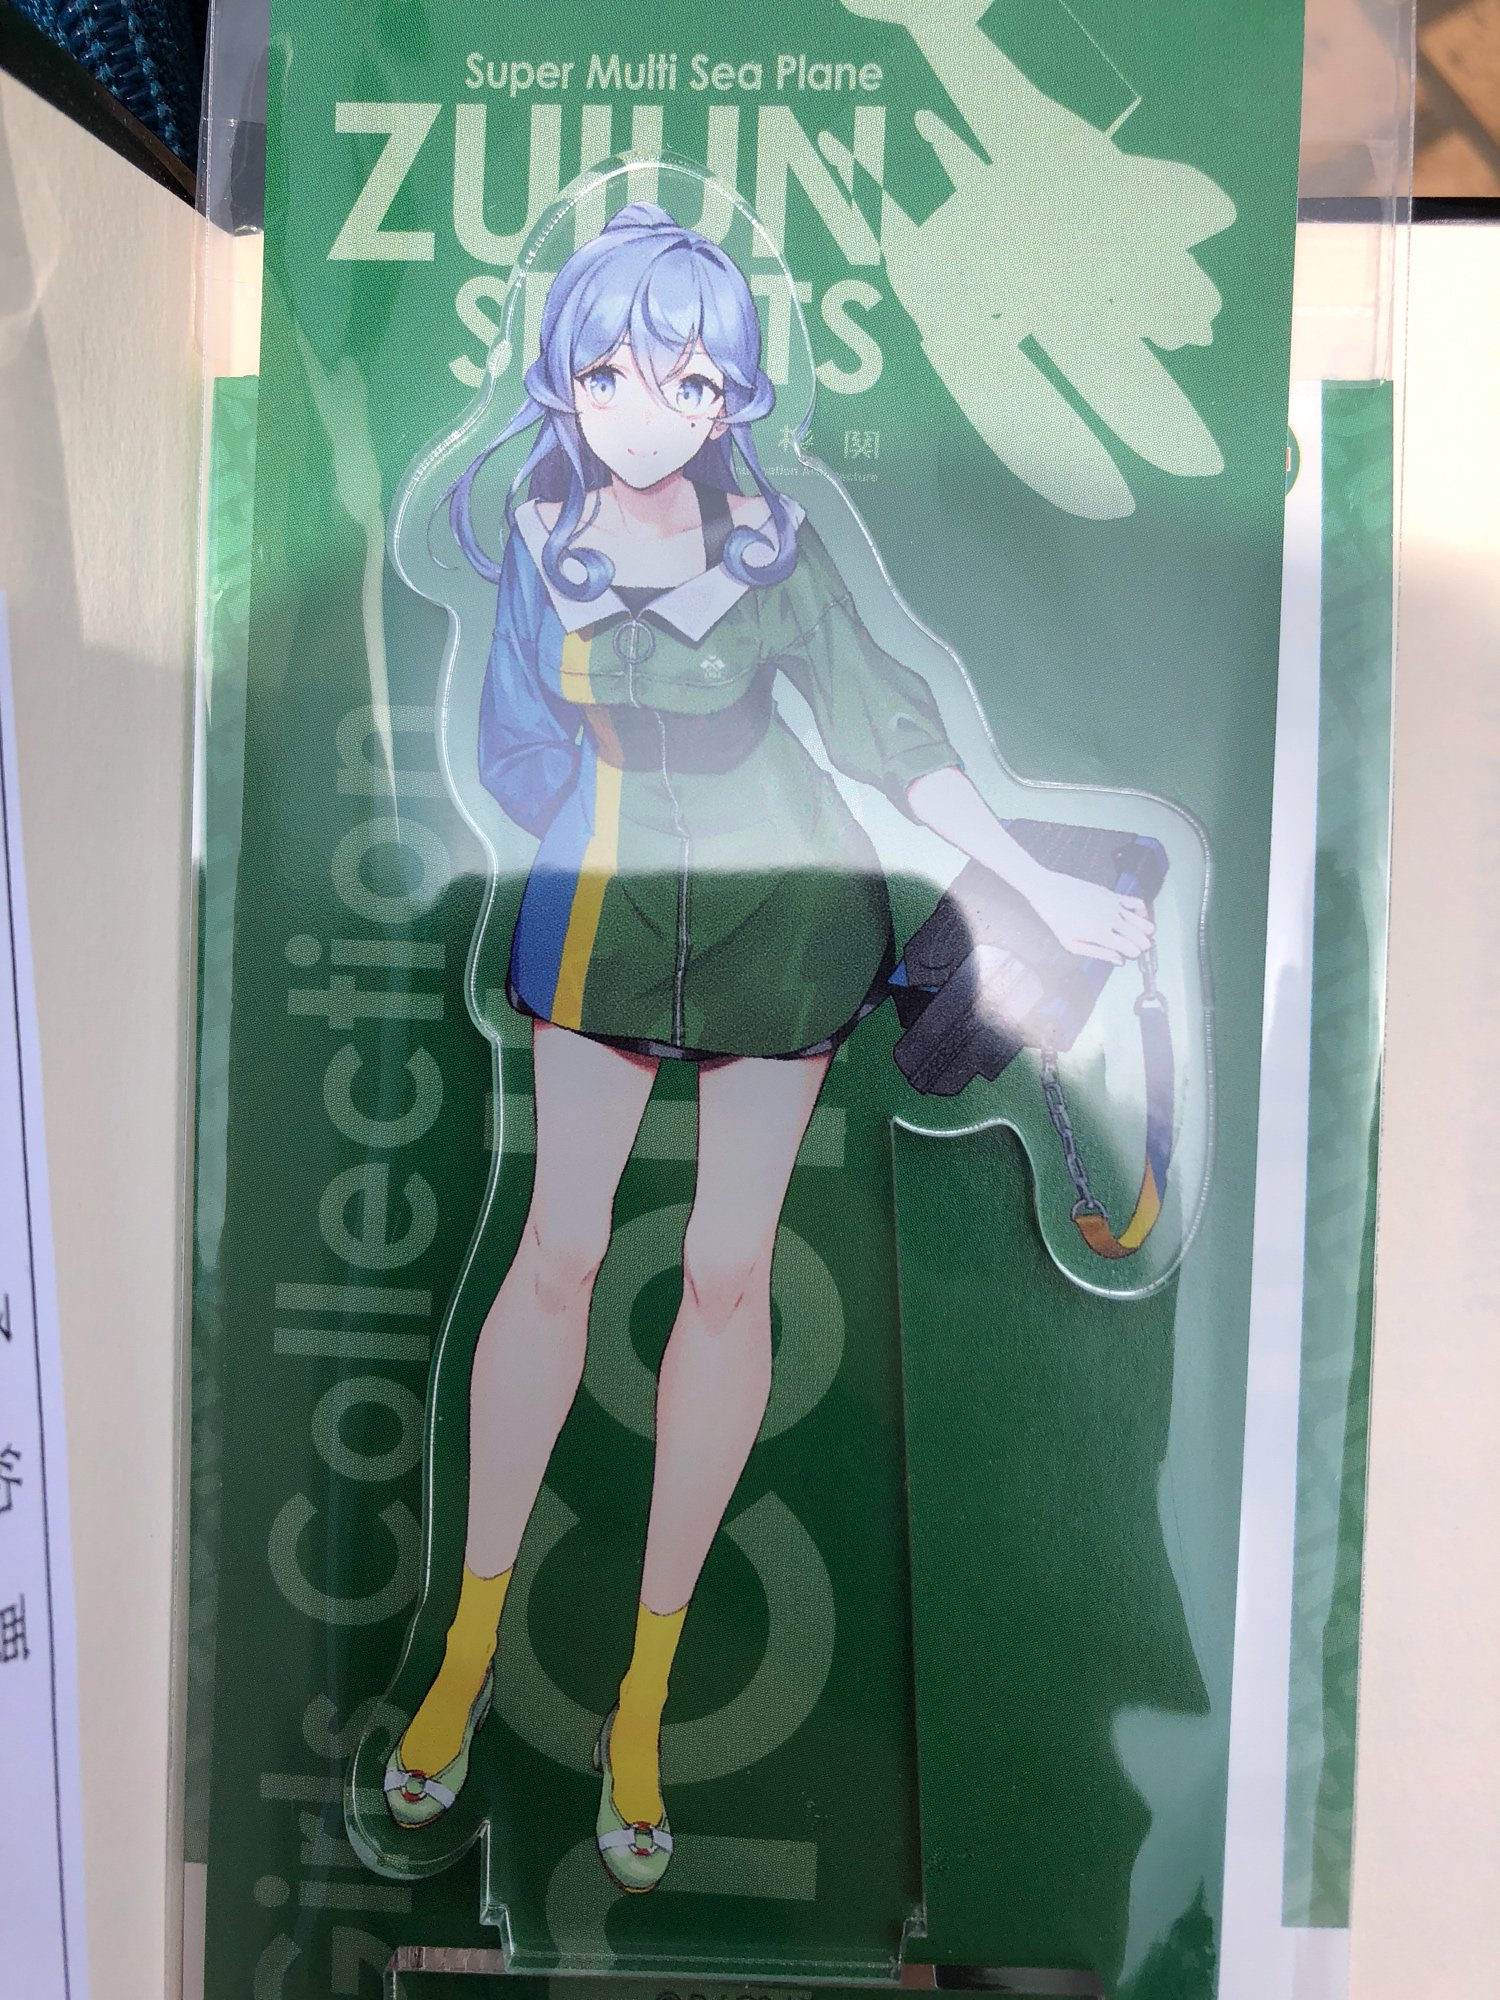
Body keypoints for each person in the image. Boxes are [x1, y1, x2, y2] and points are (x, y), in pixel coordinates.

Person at [381, 202, 1153, 1892]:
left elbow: (893, 733)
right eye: (607, 372)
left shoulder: (778, 553)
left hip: (782, 914)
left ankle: (645, 1701)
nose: (643, 406)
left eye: (682, 377)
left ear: (731, 393)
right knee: (559, 1253)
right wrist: (577, 839)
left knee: (730, 1280)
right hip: (600, 905)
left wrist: (1037, 890)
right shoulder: (535, 538)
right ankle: (465, 1646)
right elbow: (510, 741)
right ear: (564, 379)